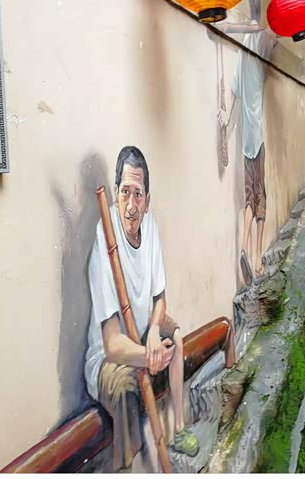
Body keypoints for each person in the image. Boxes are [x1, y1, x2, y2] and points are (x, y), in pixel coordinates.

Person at [84, 146, 199, 471]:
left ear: (147, 200)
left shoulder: (150, 227)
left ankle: (178, 428)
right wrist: (147, 356)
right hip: (109, 355)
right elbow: (111, 344)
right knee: (124, 387)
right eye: (125, 193)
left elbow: (160, 298)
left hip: (143, 329)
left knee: (175, 337)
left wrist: (154, 332)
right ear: (115, 193)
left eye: (138, 194)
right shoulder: (105, 238)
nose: (131, 206)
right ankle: (130, 467)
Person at [217, 0, 277, 286]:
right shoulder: (262, 38)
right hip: (257, 133)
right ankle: (257, 259)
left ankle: (244, 248)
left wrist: (226, 118)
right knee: (260, 196)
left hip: (245, 138)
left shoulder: (243, 48)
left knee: (249, 195)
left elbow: (234, 92)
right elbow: (272, 40)